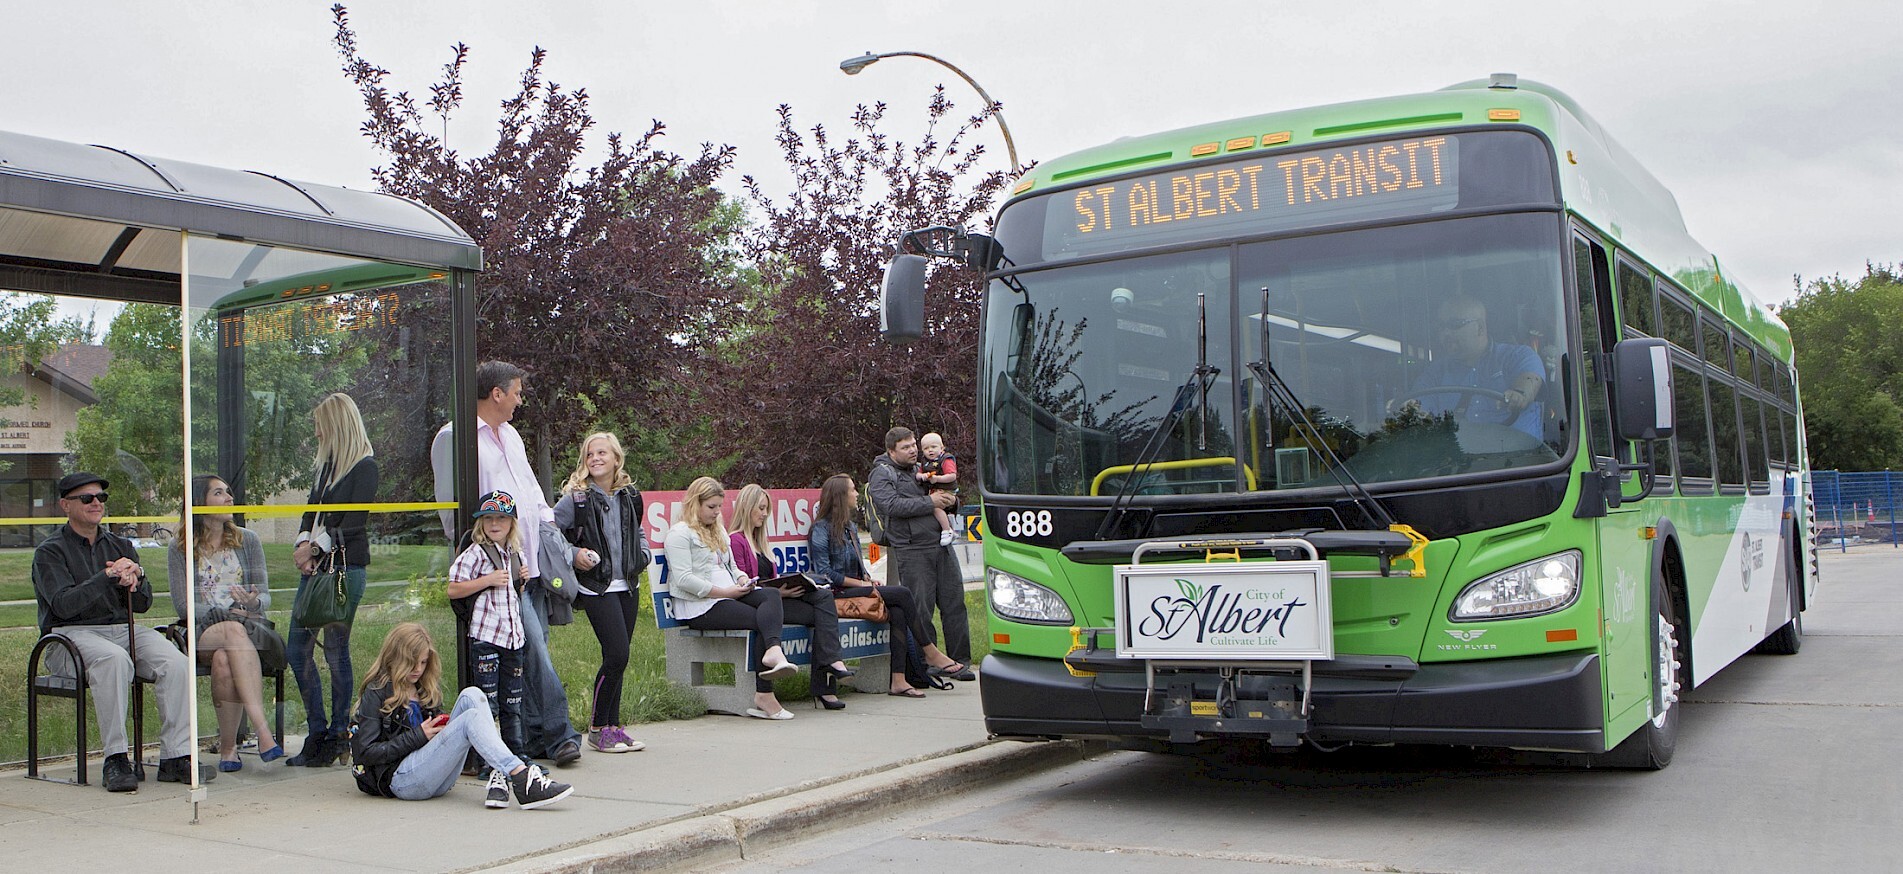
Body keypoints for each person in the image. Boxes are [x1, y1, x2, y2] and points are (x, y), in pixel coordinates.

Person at [430, 361, 585, 766]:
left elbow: (531, 489)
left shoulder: (511, 435)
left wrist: (548, 529)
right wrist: (481, 556)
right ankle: (560, 734)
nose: (520, 399)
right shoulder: (454, 438)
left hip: (529, 561)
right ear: (496, 393)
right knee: (534, 651)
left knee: (529, 650)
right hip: (496, 568)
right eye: (516, 392)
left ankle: (533, 738)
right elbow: (451, 511)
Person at [33, 472, 205, 792]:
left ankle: (175, 756)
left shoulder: (120, 545)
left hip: (123, 629)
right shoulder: (50, 552)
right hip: (69, 636)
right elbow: (63, 606)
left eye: (101, 498)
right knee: (113, 660)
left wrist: (137, 577)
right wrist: (107, 577)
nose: (96, 503)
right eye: (87, 498)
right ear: (65, 505)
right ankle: (115, 758)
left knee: (177, 662)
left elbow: (142, 605)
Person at [350, 622, 573, 810]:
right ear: (396, 658)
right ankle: (521, 777)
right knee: (469, 719)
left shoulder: (422, 687)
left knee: (472, 695)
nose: (418, 669)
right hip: (401, 780)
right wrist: (419, 735)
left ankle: (499, 773)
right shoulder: (377, 692)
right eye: (412, 662)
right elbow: (367, 752)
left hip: (435, 774)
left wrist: (441, 727)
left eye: (424, 662)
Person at [807, 474, 967, 697]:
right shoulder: (820, 529)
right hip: (836, 594)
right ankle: (930, 651)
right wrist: (861, 583)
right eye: (852, 490)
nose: (856, 494)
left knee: (898, 611)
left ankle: (898, 680)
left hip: (857, 588)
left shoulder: (849, 527)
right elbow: (825, 573)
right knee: (902, 593)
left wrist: (868, 580)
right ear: (840, 497)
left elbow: (857, 566)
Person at [167, 474, 284, 771]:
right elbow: (183, 604)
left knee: (223, 660)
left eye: (228, 492)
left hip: (244, 628)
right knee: (230, 631)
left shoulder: (248, 540)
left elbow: (265, 596)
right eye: (219, 493)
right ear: (200, 502)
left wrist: (253, 601)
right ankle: (263, 732)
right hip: (203, 629)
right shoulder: (180, 547)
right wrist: (217, 612)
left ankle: (229, 749)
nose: (229, 498)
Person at [287, 392, 380, 767]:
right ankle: (317, 730)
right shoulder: (326, 468)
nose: (316, 433)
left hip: (345, 569)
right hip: (317, 569)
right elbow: (311, 511)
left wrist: (315, 548)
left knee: (335, 651)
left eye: (319, 426)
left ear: (336, 425)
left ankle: (339, 733)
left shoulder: (365, 467)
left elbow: (354, 522)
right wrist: (302, 544)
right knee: (297, 649)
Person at [664, 476, 801, 720]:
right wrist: (725, 592)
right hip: (700, 606)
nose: (717, 512)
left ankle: (773, 650)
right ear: (695, 504)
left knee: (770, 595)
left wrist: (741, 579)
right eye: (711, 507)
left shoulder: (718, 530)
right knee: (761, 620)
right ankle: (765, 694)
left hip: (729, 594)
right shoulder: (680, 534)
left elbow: (732, 566)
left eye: (719, 506)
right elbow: (684, 579)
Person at [552, 432, 649, 753]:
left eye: (602, 453)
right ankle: (596, 729)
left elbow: (638, 531)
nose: (595, 458)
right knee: (617, 654)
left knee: (618, 659)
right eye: (590, 454)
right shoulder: (576, 499)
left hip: (628, 586)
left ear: (616, 459)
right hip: (597, 588)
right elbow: (549, 531)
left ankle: (613, 727)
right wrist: (573, 554)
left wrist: (643, 554)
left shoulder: (630, 496)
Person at [728, 483, 850, 710]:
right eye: (761, 508)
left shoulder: (761, 541)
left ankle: (832, 664)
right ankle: (825, 686)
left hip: (777, 598)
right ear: (747, 507)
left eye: (767, 509)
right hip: (760, 604)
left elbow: (771, 577)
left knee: (824, 599)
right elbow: (742, 583)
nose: (765, 514)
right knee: (821, 615)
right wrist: (778, 592)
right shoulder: (736, 540)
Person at [868, 427, 976, 681]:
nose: (913, 450)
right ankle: (927, 664)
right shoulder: (882, 474)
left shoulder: (923, 467)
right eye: (905, 447)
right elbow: (891, 505)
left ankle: (960, 661)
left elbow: (948, 491)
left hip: (940, 544)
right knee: (921, 610)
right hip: (912, 548)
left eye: (913, 445)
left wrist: (953, 503)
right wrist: (931, 503)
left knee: (954, 604)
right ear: (891, 451)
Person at [447, 490, 533, 792]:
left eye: (501, 518)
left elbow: (513, 594)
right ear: (481, 523)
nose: (495, 524)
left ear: (512, 523)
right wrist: (487, 580)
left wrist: (521, 580)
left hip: (512, 637)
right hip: (486, 636)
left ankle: (516, 755)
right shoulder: (475, 553)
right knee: (488, 703)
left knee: (513, 701)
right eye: (488, 518)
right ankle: (488, 761)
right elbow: (453, 588)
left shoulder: (515, 554)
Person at [1411, 296, 1545, 440]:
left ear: (1480, 328)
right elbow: (1417, 408)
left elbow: (1530, 381)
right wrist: (1408, 410)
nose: (1446, 333)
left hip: (1521, 453)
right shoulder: (1435, 373)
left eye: (1455, 325)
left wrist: (1518, 394)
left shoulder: (1518, 356)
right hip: (1454, 453)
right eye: (1441, 327)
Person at [916, 432, 962, 547]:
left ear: (942, 448)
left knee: (935, 507)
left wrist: (937, 479)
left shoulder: (946, 460)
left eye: (933, 447)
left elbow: (952, 476)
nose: (930, 450)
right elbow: (918, 474)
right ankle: (950, 529)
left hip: (947, 491)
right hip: (934, 491)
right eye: (926, 448)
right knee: (933, 506)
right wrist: (922, 476)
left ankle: (947, 531)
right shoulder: (925, 461)